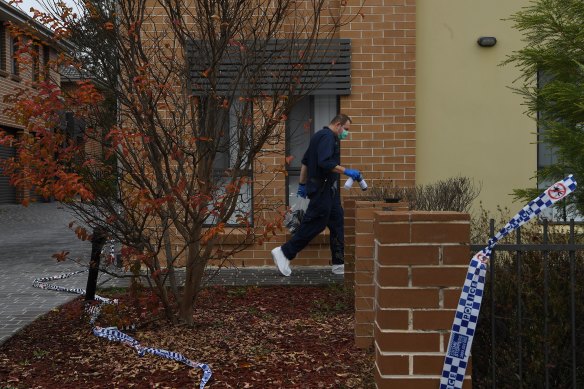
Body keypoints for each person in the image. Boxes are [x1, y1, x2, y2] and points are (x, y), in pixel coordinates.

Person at [271, 113, 361, 276]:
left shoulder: (318, 136)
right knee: (316, 224)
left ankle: (339, 262)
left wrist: (302, 184)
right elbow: (325, 162)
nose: (346, 133)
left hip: (327, 191)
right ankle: (284, 252)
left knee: (337, 221)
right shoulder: (328, 137)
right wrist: (347, 171)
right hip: (322, 189)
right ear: (339, 124)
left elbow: (305, 162)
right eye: (346, 129)